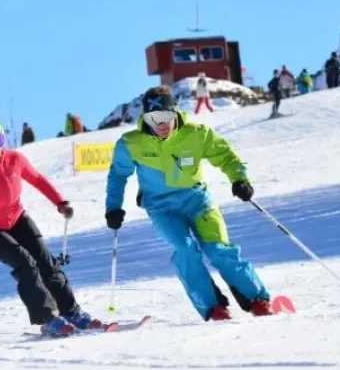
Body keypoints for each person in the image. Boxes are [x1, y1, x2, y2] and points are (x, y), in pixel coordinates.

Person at [105, 86, 275, 322]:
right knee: (186, 250)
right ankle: (213, 306)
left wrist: (239, 179)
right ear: (145, 118)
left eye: (166, 116)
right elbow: (117, 175)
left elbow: (225, 156)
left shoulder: (197, 134)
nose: (161, 124)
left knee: (219, 250)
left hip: (198, 202)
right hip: (162, 209)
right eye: (154, 118)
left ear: (175, 113)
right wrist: (113, 207)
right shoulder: (131, 143)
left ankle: (257, 298)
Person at [0, 113, 99, 336]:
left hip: (17, 218)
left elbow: (38, 180)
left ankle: (72, 312)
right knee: (25, 263)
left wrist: (59, 202)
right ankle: (48, 318)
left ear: (3, 139)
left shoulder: (15, 159)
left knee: (46, 263)